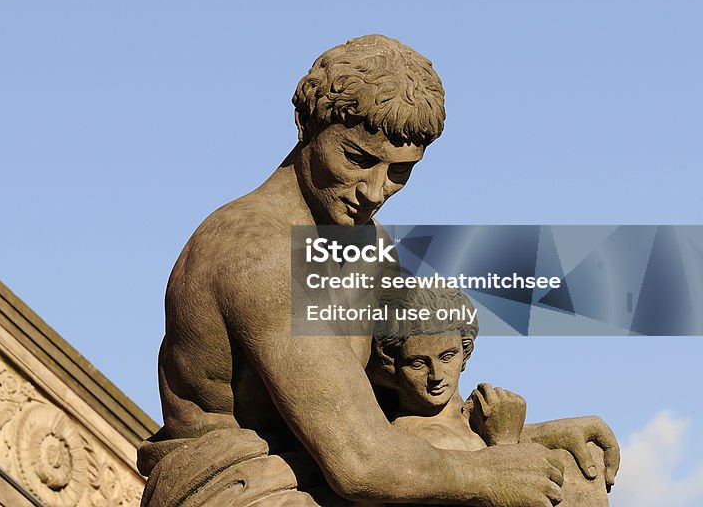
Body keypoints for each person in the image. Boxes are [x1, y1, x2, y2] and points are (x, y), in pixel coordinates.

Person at [139, 35, 619, 506]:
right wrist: (491, 470)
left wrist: (526, 437)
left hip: (332, 466)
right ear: (307, 126)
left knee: (575, 484)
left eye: (399, 172)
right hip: (248, 485)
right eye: (356, 159)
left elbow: (396, 401)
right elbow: (360, 463)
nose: (373, 191)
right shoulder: (257, 253)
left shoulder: (365, 241)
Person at [369, 286, 610, 506]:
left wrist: (542, 433)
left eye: (447, 356)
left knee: (585, 456)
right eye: (418, 363)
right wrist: (505, 443)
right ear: (392, 364)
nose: (437, 376)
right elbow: (507, 487)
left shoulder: (477, 420)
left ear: (465, 350)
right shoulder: (412, 440)